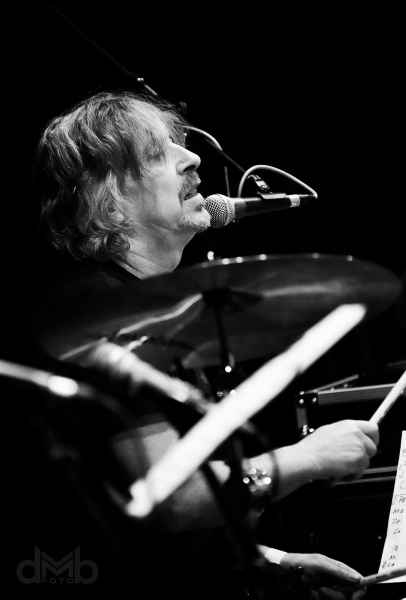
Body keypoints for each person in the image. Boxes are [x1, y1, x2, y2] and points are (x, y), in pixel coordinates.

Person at [31, 91, 380, 597]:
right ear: (106, 192)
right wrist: (308, 459)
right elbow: (174, 499)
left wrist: (276, 562)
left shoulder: (146, 313)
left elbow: (155, 535)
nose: (193, 158)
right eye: (158, 152)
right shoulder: (103, 317)